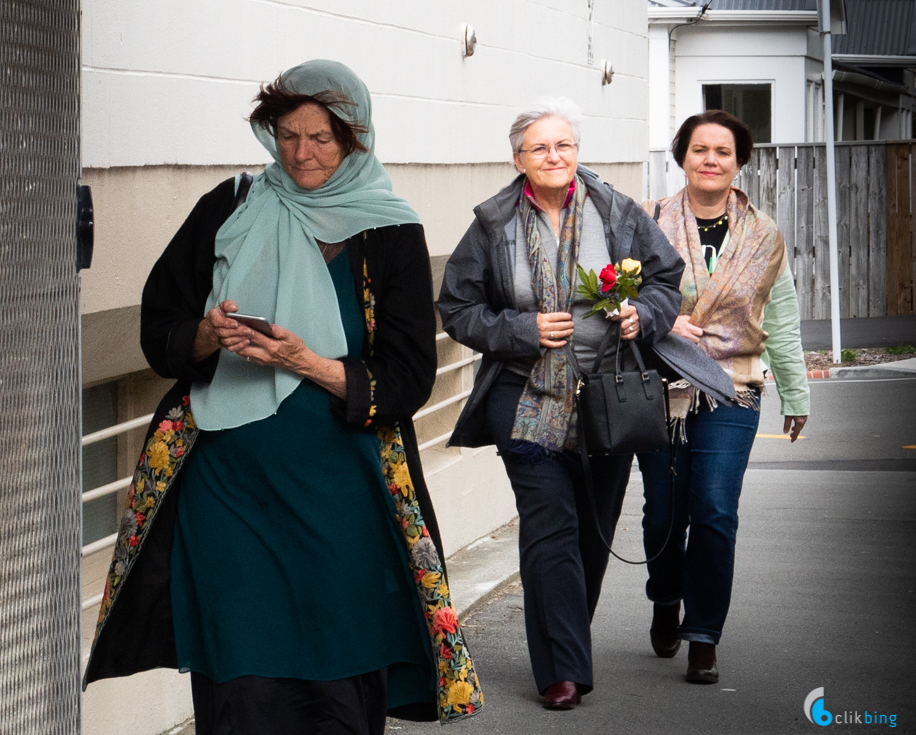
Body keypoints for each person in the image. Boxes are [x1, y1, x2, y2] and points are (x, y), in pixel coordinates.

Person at [83, 60, 482, 733]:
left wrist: (309, 362)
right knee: (243, 683)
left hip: (343, 495)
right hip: (229, 490)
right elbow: (162, 330)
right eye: (287, 135)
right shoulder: (230, 204)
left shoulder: (390, 230)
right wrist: (209, 334)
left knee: (339, 687)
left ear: (355, 139)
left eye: (321, 138)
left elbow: (409, 377)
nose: (301, 153)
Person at [438, 97, 730, 710]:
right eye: (540, 147)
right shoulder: (494, 223)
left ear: (577, 152)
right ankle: (562, 672)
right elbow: (458, 309)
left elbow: (663, 280)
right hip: (525, 400)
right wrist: (520, 331)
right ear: (518, 158)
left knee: (592, 534)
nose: (555, 155)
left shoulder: (615, 211)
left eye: (564, 144)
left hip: (609, 397)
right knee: (551, 529)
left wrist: (641, 316)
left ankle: (566, 638)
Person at [638, 109, 810, 685]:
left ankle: (704, 635)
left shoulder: (764, 236)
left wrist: (795, 390)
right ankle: (666, 598)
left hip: (734, 388)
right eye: (699, 149)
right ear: (682, 156)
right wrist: (659, 320)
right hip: (660, 387)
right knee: (663, 513)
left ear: (740, 162)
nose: (710, 160)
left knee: (713, 509)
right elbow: (618, 299)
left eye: (723, 152)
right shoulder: (648, 222)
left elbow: (780, 317)